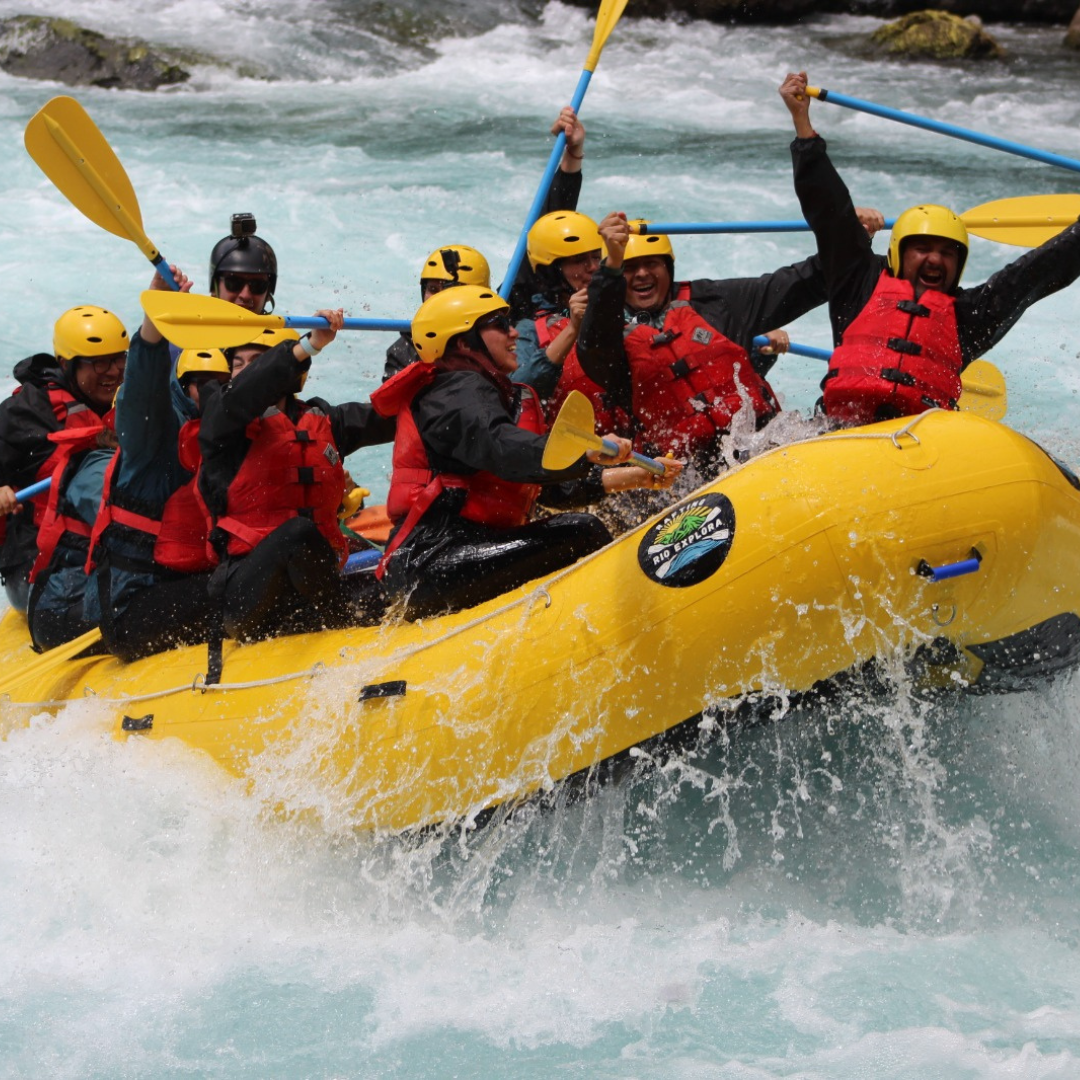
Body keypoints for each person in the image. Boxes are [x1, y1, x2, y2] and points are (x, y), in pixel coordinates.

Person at [779, 70, 1080, 426]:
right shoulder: (857, 282)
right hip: (837, 433)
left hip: (922, 446)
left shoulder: (970, 316)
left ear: (960, 263)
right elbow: (829, 210)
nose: (935, 259)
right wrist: (802, 123)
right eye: (922, 248)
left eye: (947, 252)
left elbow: (1040, 270)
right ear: (898, 254)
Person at [371, 286, 682, 620]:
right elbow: (501, 448)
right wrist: (585, 451)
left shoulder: (494, 396)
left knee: (576, 528)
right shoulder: (452, 390)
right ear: (462, 342)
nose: (514, 331)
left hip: (463, 551)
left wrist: (637, 475)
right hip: (430, 559)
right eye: (499, 324)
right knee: (581, 531)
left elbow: (547, 486)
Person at [198, 311, 396, 643]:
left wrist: (440, 355)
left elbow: (388, 415)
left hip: (311, 589)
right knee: (296, 533)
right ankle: (344, 629)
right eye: (238, 364)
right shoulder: (223, 427)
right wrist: (309, 345)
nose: (246, 371)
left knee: (392, 583)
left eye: (256, 360)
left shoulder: (324, 420)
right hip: (248, 596)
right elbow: (242, 394)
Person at [575, 212, 819, 475]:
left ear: (668, 267)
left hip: (762, 443)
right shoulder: (610, 343)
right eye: (630, 267)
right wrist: (611, 264)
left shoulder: (715, 302)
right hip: (684, 474)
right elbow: (594, 335)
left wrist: (845, 233)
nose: (642, 274)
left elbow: (796, 284)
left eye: (652, 263)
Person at [382, 107, 590, 381]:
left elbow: (548, 235)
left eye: (452, 290)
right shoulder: (408, 348)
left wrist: (572, 155)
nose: (439, 299)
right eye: (432, 289)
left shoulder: (505, 314)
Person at [86, 267, 229, 662]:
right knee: (239, 586)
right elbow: (143, 387)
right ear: (183, 387)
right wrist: (155, 318)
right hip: (133, 605)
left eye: (220, 381)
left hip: (181, 587)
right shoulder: (153, 437)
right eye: (201, 382)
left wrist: (309, 348)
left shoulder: (221, 438)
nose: (211, 391)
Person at [0, 305, 127, 612]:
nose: (112, 371)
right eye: (98, 363)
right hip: (38, 573)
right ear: (65, 364)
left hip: (100, 550)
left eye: (119, 359)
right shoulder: (28, 411)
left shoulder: (127, 401)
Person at [514, 210, 636, 439]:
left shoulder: (623, 306)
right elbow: (519, 392)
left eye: (594, 257)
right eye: (580, 260)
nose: (592, 267)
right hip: (577, 455)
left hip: (633, 442)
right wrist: (573, 329)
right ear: (551, 272)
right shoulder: (528, 330)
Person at [209, 212, 277, 314]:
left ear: (268, 294)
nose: (245, 295)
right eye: (234, 283)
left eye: (258, 286)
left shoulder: (279, 330)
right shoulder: (190, 325)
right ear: (215, 289)